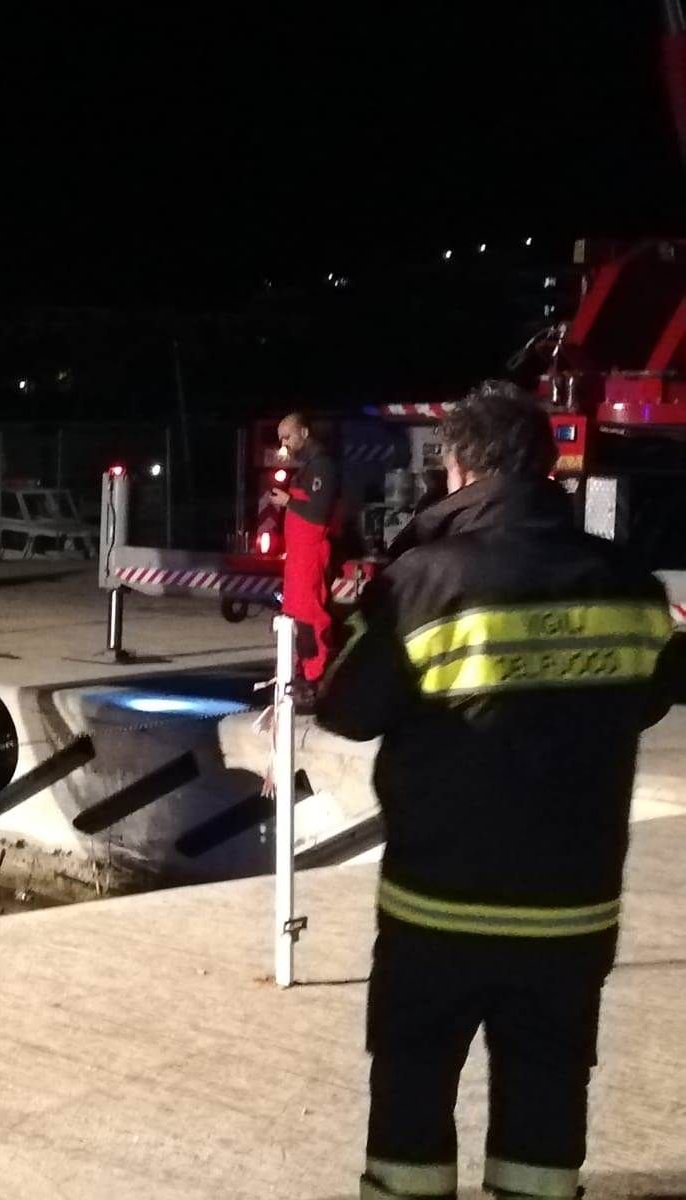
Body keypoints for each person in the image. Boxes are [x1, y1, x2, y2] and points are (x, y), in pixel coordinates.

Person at [316, 382, 679, 1200]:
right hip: (572, 907)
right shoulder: (626, 582)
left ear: (456, 465)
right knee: (548, 1095)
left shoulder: (420, 580)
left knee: (412, 1086)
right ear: (547, 466)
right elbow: (651, 694)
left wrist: (356, 620)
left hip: (436, 904)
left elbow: (346, 712)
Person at [267, 412, 341, 702]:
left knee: (311, 615)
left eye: (288, 436)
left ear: (304, 433)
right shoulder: (309, 465)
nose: (284, 443)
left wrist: (288, 502)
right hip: (298, 555)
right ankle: (305, 670)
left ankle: (316, 676)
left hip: (310, 552)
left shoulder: (322, 465)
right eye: (281, 438)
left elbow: (318, 514)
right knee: (298, 614)